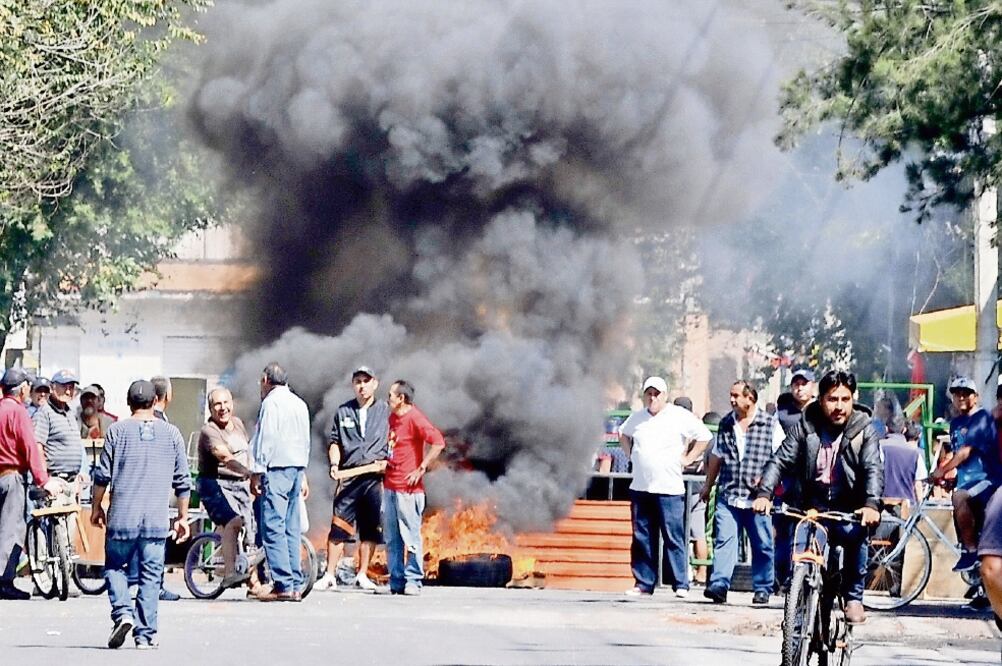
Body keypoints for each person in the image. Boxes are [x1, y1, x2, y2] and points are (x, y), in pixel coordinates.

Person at [752, 370, 882, 625]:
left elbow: (872, 468)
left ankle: (854, 597)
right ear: (821, 399)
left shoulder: (864, 429)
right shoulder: (805, 425)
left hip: (849, 507)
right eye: (832, 399)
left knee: (856, 537)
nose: (839, 406)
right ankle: (799, 609)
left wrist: (871, 504)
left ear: (853, 399)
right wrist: (764, 493)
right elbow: (780, 460)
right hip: (811, 506)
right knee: (800, 553)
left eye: (845, 399)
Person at [91, 380, 191, 649]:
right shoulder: (172, 434)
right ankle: (144, 636)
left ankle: (123, 612)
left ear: (129, 403)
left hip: (122, 517)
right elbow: (183, 481)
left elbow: (102, 476)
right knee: (150, 575)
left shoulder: (116, 431)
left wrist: (96, 507)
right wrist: (182, 518)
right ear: (156, 401)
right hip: (155, 521)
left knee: (115, 567)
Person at [619, 376, 712, 598]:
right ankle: (644, 583)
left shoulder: (678, 415)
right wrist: (631, 454)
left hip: (669, 488)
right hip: (641, 486)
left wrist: (688, 458)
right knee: (642, 537)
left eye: (657, 394)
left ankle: (681, 583)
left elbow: (704, 436)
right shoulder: (637, 417)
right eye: (649, 394)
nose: (653, 398)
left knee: (674, 537)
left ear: (665, 395)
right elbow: (623, 433)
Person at [700, 380, 784, 606]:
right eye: (731, 395)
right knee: (724, 541)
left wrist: (768, 484)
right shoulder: (726, 423)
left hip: (758, 498)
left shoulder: (770, 424)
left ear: (750, 398)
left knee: (762, 544)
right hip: (729, 495)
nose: (732, 400)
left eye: (736, 395)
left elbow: (781, 459)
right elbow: (717, 456)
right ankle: (719, 585)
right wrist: (708, 485)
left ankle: (763, 587)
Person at [316, 366, 390, 592]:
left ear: (375, 384)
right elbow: (335, 442)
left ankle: (362, 574)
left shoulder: (386, 411)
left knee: (370, 530)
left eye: (366, 381)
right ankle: (329, 575)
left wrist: (388, 462)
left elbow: (395, 440)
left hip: (374, 479)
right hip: (348, 478)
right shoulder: (343, 412)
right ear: (353, 385)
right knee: (339, 527)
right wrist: (335, 464)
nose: (362, 386)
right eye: (358, 381)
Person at [250, 362, 311, 602]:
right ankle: (295, 584)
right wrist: (302, 472)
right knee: (291, 527)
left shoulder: (271, 403)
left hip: (276, 470)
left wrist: (257, 470)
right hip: (296, 469)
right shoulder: (299, 403)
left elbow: (266, 439)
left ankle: (283, 584)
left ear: (266, 380)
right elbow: (305, 441)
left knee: (273, 527)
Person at [0, 368, 60, 600]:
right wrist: (43, 480)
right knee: (11, 530)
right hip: (11, 476)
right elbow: (30, 448)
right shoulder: (18, 411)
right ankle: (4, 581)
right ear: (23, 389)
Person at [930, 377, 1001, 572]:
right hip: (967, 482)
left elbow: (965, 452)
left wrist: (941, 470)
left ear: (976, 397)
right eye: (957, 394)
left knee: (959, 497)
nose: (961, 397)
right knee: (959, 503)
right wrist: (949, 477)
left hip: (987, 479)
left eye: (966, 393)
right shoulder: (955, 423)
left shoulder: (982, 418)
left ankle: (971, 552)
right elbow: (959, 457)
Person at [383, 379, 445, 596]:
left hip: (408, 491)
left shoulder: (415, 418)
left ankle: (413, 580)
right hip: (389, 487)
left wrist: (421, 468)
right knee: (392, 539)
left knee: (410, 538)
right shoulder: (392, 418)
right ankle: (396, 580)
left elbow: (438, 442)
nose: (387, 399)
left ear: (401, 398)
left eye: (391, 395)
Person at [197, 387, 261, 593]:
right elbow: (224, 456)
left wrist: (253, 477)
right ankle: (229, 573)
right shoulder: (209, 431)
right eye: (217, 404)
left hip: (240, 484)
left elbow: (248, 452)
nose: (222, 408)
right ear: (210, 409)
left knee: (251, 532)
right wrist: (247, 472)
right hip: (214, 485)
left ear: (232, 404)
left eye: (226, 403)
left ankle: (254, 584)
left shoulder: (238, 424)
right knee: (233, 522)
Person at [32, 369, 85, 502]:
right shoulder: (44, 413)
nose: (68, 391)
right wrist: (45, 480)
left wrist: (79, 474)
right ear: (53, 387)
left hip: (72, 482)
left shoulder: (70, 413)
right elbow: (37, 448)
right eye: (64, 387)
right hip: (55, 482)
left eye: (71, 387)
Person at [879, 417, 928, 507]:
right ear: (904, 430)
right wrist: (919, 506)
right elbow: (918, 484)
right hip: (906, 507)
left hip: (881, 504)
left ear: (886, 428)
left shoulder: (878, 447)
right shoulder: (915, 453)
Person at [776, 368, 816, 434]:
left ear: (813, 386)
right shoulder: (781, 412)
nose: (800, 388)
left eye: (804, 384)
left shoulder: (822, 410)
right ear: (791, 387)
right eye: (796, 384)